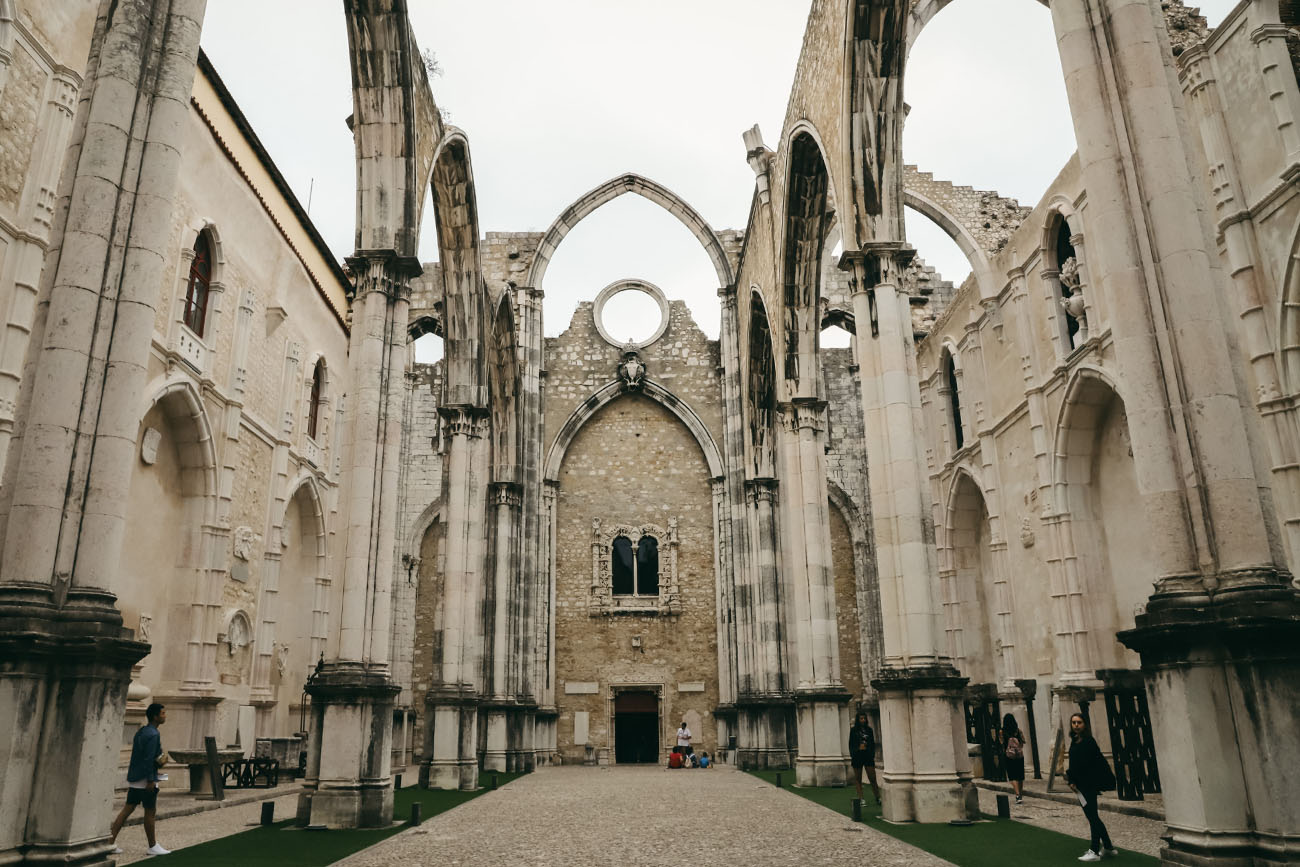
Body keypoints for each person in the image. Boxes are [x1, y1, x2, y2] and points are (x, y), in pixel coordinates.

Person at [110, 702, 170, 857]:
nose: (165, 716)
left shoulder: (142, 731)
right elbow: (149, 758)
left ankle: (109, 842)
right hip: (146, 779)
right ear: (155, 716)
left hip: (136, 777)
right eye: (162, 713)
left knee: (127, 810)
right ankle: (152, 845)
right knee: (150, 811)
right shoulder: (154, 734)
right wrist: (151, 779)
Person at [1066, 712, 1118, 862]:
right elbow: (1074, 764)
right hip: (1079, 784)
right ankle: (1108, 847)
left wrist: (1077, 780)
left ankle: (1094, 850)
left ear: (1085, 724)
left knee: (1092, 817)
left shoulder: (1088, 741)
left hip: (1088, 784)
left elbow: (1090, 764)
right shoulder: (1075, 740)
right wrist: (1071, 780)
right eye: (1074, 722)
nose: (1076, 725)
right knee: (1092, 816)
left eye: (1079, 722)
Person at [847, 710, 880, 804]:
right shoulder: (853, 730)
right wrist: (855, 752)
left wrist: (872, 754)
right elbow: (851, 744)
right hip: (857, 756)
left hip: (868, 756)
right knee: (858, 778)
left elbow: (872, 743)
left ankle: (878, 797)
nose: (863, 720)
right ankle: (861, 798)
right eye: (861, 718)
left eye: (864, 718)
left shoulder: (869, 730)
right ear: (858, 719)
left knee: (872, 777)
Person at [1002, 712, 1026, 804]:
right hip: (1019, 756)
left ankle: (1017, 795)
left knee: (1012, 776)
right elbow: (1023, 742)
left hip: (1009, 756)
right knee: (1020, 776)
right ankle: (1020, 794)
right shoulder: (1018, 731)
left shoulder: (1002, 731)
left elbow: (1001, 742)